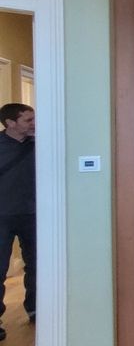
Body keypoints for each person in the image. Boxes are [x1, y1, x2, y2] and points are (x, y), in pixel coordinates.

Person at [0, 103, 36, 339]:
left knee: (37, 265)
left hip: (34, 213)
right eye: (28, 120)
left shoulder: (39, 143)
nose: (33, 124)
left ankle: (35, 309)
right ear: (10, 123)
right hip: (2, 215)